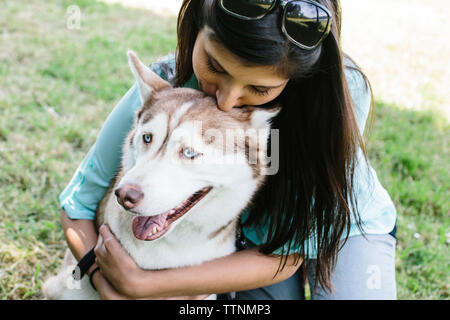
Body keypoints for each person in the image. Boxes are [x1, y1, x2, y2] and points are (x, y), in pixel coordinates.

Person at [58, 0, 397, 300]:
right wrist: (100, 277)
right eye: (216, 67)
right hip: (254, 243)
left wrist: (143, 286)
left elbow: (289, 253)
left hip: (340, 226)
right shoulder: (166, 87)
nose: (227, 99)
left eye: (259, 87)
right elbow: (79, 199)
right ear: (197, 27)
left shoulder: (338, 94)